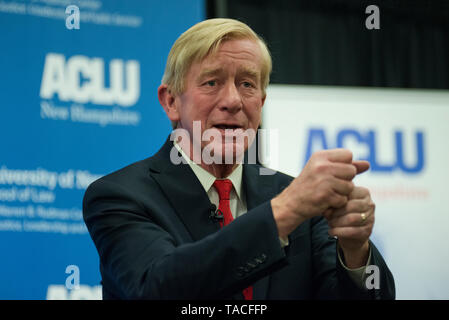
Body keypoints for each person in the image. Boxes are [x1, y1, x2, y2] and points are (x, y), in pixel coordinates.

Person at [83, 18, 395, 300]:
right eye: (211, 82)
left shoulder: (299, 202)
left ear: (261, 102)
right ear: (171, 102)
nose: (233, 101)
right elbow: (155, 289)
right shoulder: (119, 196)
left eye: (247, 84)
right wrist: (285, 212)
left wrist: (355, 251)